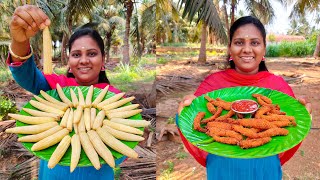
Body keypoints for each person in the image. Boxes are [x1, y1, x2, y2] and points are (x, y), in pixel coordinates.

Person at [177, 16, 312, 180]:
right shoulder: (212, 84)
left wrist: (303, 114)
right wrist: (184, 109)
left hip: (265, 169)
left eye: (254, 43)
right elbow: (193, 127)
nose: (247, 49)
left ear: (264, 49)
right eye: (239, 42)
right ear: (230, 48)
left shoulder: (278, 86)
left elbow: (289, 134)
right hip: (222, 169)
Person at [7, 5, 126, 180]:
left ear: (103, 61)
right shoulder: (55, 88)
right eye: (76, 55)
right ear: (69, 61)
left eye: (92, 54)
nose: (84, 60)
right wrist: (19, 42)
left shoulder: (116, 101)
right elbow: (27, 75)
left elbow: (120, 152)